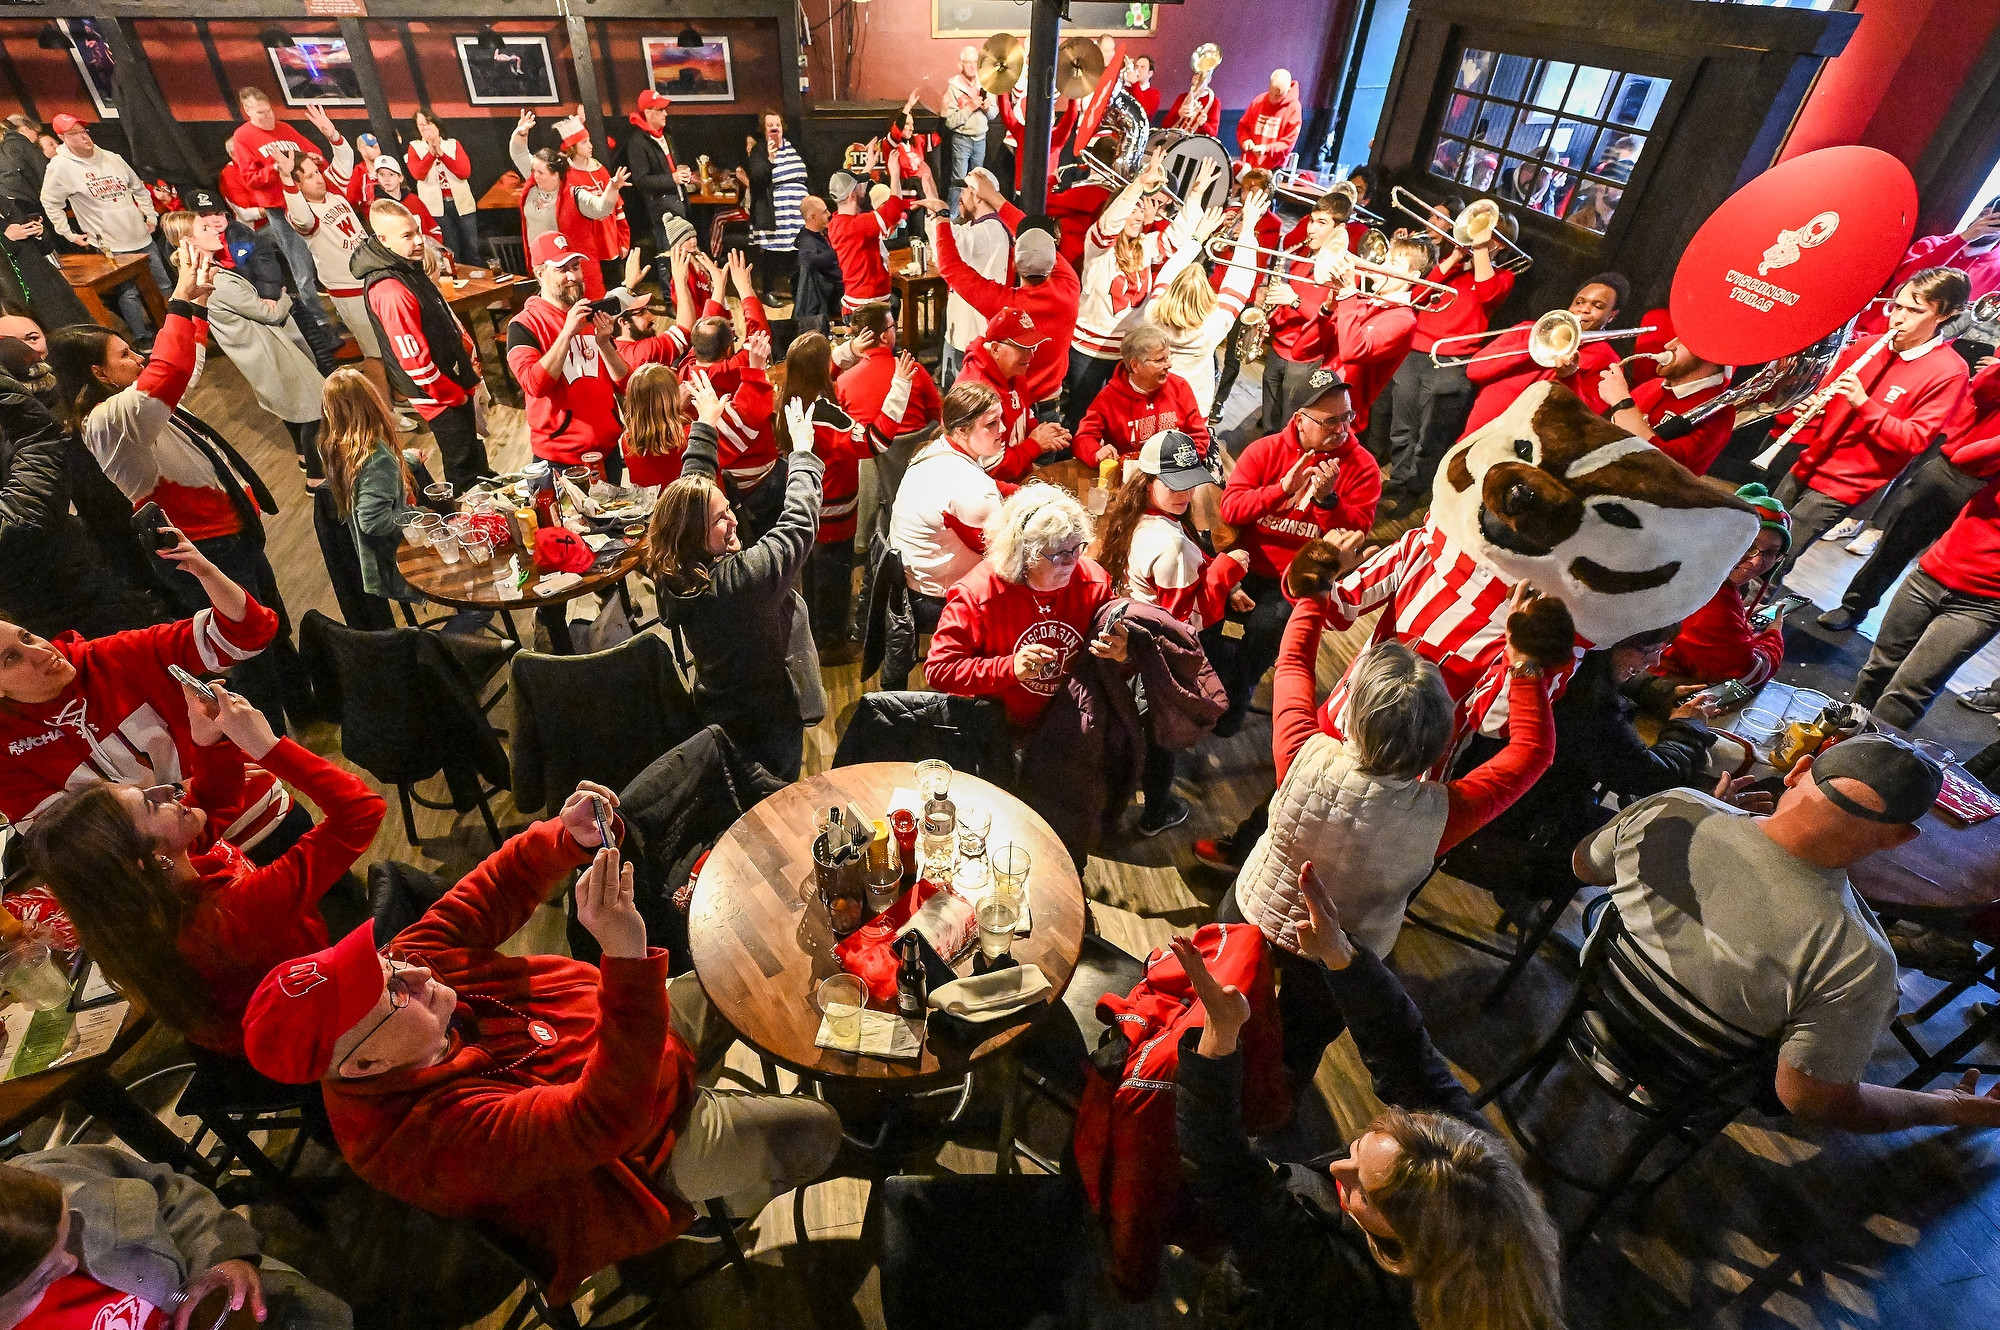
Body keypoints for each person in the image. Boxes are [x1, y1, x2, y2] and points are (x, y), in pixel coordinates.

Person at [239, 786, 843, 1304]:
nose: (415, 973)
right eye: (392, 992)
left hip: (633, 1032)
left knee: (750, 970)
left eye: (384, 961)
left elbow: (488, 891)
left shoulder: (411, 976)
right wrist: (626, 959)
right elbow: (601, 1118)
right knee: (816, 1130)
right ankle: (715, 1211)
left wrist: (562, 836)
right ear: (366, 1062)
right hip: (636, 1154)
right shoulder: (423, 1141)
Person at [1173, 895, 1563, 1330]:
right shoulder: (1473, 1176)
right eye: (1359, 1149)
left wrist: (1218, 1038)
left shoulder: (1345, 1288)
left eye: (1362, 1190)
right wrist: (1341, 955)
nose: (1337, 1166)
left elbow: (1222, 1173)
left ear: (1407, 1247)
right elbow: (1411, 1061)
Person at [1574, 735, 2000, 1132]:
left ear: (1798, 771)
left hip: (1595, 1003)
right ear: (1900, 838)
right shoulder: (1859, 957)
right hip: (1689, 1074)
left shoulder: (1674, 806)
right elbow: (1811, 1101)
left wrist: (1710, 812)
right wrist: (1948, 1105)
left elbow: (1584, 866)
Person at [1223, 580, 1556, 1082]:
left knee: (1217, 995)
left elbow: (1293, 665)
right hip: (1344, 949)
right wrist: (1525, 662)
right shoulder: (1443, 814)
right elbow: (1532, 751)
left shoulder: (1300, 750)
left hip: (1254, 906)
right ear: (1441, 735)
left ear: (1352, 711)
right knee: (1303, 1038)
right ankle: (1278, 1099)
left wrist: (1313, 594)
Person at [27, 677, 382, 1056]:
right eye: (150, 805)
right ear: (146, 860)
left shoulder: (149, 894)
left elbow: (210, 803)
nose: (168, 791)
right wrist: (267, 747)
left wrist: (209, 740)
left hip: (262, 1028)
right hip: (328, 1024)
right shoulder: (232, 916)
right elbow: (360, 811)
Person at [47, 242, 311, 733]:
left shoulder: (132, 400)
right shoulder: (107, 420)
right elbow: (168, 372)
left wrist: (198, 309)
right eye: (125, 354)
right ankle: (269, 742)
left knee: (272, 625)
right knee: (247, 652)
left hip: (230, 532)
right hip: (207, 551)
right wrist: (181, 303)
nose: (139, 356)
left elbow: (183, 367)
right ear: (97, 373)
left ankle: (305, 708)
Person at [0, 544, 299, 859]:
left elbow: (247, 634)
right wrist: (183, 792)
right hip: (184, 873)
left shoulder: (114, 656)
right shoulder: (6, 751)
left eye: (27, 637)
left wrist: (204, 569)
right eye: (10, 658)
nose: (40, 652)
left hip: (259, 821)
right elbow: (68, 839)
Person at [646, 384, 824, 780]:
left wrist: (706, 423)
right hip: (768, 720)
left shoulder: (673, 564)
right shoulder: (741, 583)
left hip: (717, 705)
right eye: (721, 518)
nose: (733, 521)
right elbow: (798, 525)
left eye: (728, 508)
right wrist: (804, 454)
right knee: (776, 799)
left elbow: (695, 486)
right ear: (695, 533)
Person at [0, 1146, 350, 1330]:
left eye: (68, 1234)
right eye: (41, 1279)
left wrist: (224, 1256)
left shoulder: (51, 1171)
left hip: (237, 1304)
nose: (72, 1262)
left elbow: (168, 1192)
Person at [1771, 268, 1972, 582]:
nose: (1899, 318)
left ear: (1946, 315)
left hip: (1846, 482)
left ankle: (1749, 621)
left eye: (1915, 311)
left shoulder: (1950, 371)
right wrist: (1807, 407)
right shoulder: (1867, 347)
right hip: (1808, 461)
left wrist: (1863, 403)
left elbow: (1915, 439)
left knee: (1777, 558)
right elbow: (1825, 400)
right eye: (1898, 306)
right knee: (1755, 542)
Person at [1096, 429, 1252, 832]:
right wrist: (1227, 570)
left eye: (1189, 483)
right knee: (1162, 736)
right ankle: (1155, 813)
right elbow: (1188, 625)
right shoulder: (1171, 547)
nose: (1184, 494)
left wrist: (1222, 584)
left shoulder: (1133, 514)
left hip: (1130, 636)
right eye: (1173, 484)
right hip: (1156, 654)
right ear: (1150, 479)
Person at [1213, 371, 1380, 735]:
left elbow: (1355, 536)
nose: (1342, 428)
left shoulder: (1363, 467)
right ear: (1299, 420)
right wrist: (1280, 489)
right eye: (1330, 420)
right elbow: (1231, 510)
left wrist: (1328, 500)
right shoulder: (1266, 450)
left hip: (1297, 577)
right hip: (1245, 564)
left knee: (1265, 631)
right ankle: (1207, 678)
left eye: (1347, 417)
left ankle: (1239, 691)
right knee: (1203, 610)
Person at [924, 483, 1129, 735]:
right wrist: (1009, 668)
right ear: (1023, 555)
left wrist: (1122, 654)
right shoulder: (977, 595)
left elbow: (1117, 659)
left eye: (1077, 548)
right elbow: (939, 670)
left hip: (1068, 720)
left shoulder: (1093, 580)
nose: (1071, 562)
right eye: (1057, 554)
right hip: (998, 726)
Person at [1822, 353, 2000, 638]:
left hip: (1994, 490)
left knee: (1961, 575)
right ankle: (1854, 607)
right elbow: (1981, 392)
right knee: (1896, 543)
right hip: (1953, 468)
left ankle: (1924, 644)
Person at [160, 205, 325, 489]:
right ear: (189, 242)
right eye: (204, 229)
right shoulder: (215, 281)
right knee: (313, 409)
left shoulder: (209, 275)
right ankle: (316, 478)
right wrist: (284, 296)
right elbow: (269, 313)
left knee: (292, 406)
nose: (214, 228)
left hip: (261, 356)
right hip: (269, 355)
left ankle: (302, 456)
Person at [505, 231, 682, 481]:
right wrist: (567, 333)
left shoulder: (591, 315)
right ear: (540, 272)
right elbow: (534, 385)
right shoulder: (524, 325)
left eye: (576, 267)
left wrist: (605, 344)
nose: (573, 276)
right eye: (562, 269)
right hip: (559, 460)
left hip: (606, 452)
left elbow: (624, 385)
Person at [786, 331, 920, 656]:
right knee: (835, 583)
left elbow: (817, 372)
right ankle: (831, 645)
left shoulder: (791, 400)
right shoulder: (830, 419)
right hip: (835, 518)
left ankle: (815, 633)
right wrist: (899, 386)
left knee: (812, 576)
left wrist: (847, 351)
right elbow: (876, 441)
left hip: (807, 508)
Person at [1066, 154, 1218, 430]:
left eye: (1140, 209)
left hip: (1127, 352)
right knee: (1081, 417)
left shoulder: (1145, 247)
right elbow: (1110, 223)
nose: (1137, 215)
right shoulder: (1099, 248)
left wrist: (1195, 195)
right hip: (1089, 351)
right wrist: (1137, 185)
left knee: (1120, 420)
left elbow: (1176, 238)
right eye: (1131, 210)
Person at [1850, 454, 2000, 729]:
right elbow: (1964, 459)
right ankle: (1841, 739)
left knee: (1910, 690)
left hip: (1984, 603)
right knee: (1878, 668)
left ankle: (1866, 764)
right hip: (1929, 575)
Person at [353, 198, 491, 494]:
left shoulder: (403, 266)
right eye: (407, 235)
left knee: (471, 450)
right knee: (463, 468)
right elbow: (414, 361)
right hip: (438, 393)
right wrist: (453, 394)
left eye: (416, 230)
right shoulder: (390, 289)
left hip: (449, 382)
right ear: (383, 239)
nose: (418, 240)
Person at [1383, 212, 1515, 514]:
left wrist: (1481, 252)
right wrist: (1456, 253)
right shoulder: (1451, 269)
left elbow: (1487, 292)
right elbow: (1416, 294)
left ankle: (1415, 491)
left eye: (1488, 235)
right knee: (1402, 426)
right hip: (1416, 351)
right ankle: (1401, 478)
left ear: (1501, 244)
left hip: (1452, 361)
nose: (1477, 239)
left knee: (1430, 435)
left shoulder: (1502, 278)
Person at [933, 173, 1081, 414]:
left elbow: (950, 267)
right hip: (1050, 409)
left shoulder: (1005, 306)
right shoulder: (1069, 285)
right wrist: (994, 196)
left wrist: (940, 217)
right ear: (1054, 260)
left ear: (1014, 264)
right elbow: (1029, 232)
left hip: (1013, 409)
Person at [277, 106, 388, 400]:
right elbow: (300, 217)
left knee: (388, 343)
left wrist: (331, 132)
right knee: (373, 354)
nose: (319, 178)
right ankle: (385, 409)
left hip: (372, 278)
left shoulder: (334, 192)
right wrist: (287, 180)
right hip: (348, 290)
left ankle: (399, 398)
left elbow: (344, 159)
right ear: (297, 184)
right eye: (310, 176)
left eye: (317, 172)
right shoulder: (301, 211)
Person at [1645, 483, 1790, 693]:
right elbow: (1741, 676)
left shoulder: (1689, 561)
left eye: (1770, 553)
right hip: (1649, 691)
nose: (1756, 562)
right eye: (1749, 545)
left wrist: (1737, 622)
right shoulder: (1714, 599)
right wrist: (1773, 634)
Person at [38, 115, 161, 347]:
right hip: (110, 243)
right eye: (75, 133)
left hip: (140, 233)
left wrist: (150, 215)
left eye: (84, 130)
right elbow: (50, 202)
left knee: (162, 282)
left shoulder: (112, 158)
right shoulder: (60, 167)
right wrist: (68, 233)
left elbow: (138, 188)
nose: (84, 136)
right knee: (128, 292)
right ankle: (142, 338)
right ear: (63, 138)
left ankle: (170, 326)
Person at [1461, 273, 1630, 435]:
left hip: (1522, 448)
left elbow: (1580, 418)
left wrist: (1569, 377)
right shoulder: (1528, 330)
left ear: (1611, 316)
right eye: (1579, 302)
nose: (1584, 309)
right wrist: (1536, 343)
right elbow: (1475, 370)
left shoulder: (1608, 361)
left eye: (1597, 306)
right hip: (1476, 434)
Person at [1146, 195, 1262, 419]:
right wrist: (1247, 229)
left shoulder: (1152, 313)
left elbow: (1168, 272)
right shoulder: (1213, 324)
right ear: (1205, 295)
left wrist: (1197, 237)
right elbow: (1241, 279)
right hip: (1192, 408)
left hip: (1152, 400)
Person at [320, 367, 422, 620]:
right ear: (371, 401)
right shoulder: (376, 458)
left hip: (368, 555)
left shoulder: (337, 446)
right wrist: (421, 515)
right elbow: (373, 521)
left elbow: (364, 482)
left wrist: (406, 459)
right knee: (475, 611)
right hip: (397, 555)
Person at [1257, 192, 1354, 436]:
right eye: (1312, 220)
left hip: (1304, 356)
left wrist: (1295, 300)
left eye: (1322, 223)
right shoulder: (1303, 258)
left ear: (1339, 229)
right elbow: (1287, 300)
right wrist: (1273, 317)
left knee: (1291, 420)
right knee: (1269, 416)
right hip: (1279, 347)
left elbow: (1332, 321)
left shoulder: (1340, 271)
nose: (1311, 229)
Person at [1594, 309, 1734, 475]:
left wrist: (1621, 402)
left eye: (1683, 342)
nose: (1668, 346)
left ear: (1711, 355)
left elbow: (1664, 465)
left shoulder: (1719, 412)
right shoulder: (1653, 385)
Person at [1322, 234, 1432, 438]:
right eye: (1385, 260)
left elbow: (1352, 351)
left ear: (1413, 276)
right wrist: (1327, 310)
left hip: (1338, 423)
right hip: (1317, 398)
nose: (1380, 266)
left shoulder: (1403, 320)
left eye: (1393, 263)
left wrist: (1347, 294)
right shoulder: (1365, 304)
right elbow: (1314, 349)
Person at [509, 110, 625, 301]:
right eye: (533, 170)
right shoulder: (533, 186)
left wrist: (612, 188)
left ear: (556, 175)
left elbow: (601, 209)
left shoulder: (573, 194)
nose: (534, 175)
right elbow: (519, 153)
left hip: (565, 269)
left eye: (540, 172)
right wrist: (521, 133)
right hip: (541, 266)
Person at [950, 308, 1073, 482]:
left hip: (1018, 474)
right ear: (996, 349)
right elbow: (993, 468)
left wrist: (1042, 432)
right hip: (988, 489)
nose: (1031, 355)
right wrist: (1035, 445)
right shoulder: (978, 395)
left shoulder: (1013, 373)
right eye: (1023, 348)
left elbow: (1024, 413)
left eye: (1033, 346)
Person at [1852, 196, 2000, 338]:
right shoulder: (1933, 243)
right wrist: (1963, 239)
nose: (1986, 221)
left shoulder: (1996, 272)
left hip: (1919, 351)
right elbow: (1906, 278)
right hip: (1867, 332)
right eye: (1984, 214)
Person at [1074, 324, 1213, 468]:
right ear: (1135, 366)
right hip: (1130, 476)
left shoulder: (1179, 387)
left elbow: (1199, 437)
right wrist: (1097, 452)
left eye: (1167, 358)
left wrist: (1182, 464)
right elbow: (1083, 438)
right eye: (1160, 360)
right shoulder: (1109, 398)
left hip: (1176, 471)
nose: (1169, 364)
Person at [826, 155, 927, 315]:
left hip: (857, 300)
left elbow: (855, 191)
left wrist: (869, 165)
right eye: (860, 188)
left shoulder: (836, 221)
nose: (864, 190)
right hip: (869, 304)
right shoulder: (858, 225)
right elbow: (894, 209)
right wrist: (895, 175)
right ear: (852, 196)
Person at [941, 168, 1012, 390]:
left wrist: (938, 216)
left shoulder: (990, 230)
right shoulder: (983, 227)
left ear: (977, 194)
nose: (960, 197)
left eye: (965, 190)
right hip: (965, 332)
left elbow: (948, 245)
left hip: (971, 337)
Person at [741, 109, 807, 299]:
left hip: (798, 209)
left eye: (777, 125)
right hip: (774, 210)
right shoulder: (759, 150)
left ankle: (798, 291)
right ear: (764, 129)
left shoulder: (795, 145)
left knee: (798, 250)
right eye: (770, 126)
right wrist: (770, 158)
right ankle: (768, 290)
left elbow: (809, 169)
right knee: (772, 253)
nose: (775, 128)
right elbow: (757, 178)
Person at [620, 89, 692, 255]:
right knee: (669, 259)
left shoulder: (665, 135)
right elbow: (641, 180)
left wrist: (683, 173)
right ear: (647, 113)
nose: (665, 114)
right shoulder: (638, 143)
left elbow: (671, 167)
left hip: (679, 205)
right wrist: (672, 178)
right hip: (662, 211)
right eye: (660, 110)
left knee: (685, 257)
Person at [405, 107, 478, 262]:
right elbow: (418, 174)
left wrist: (441, 153)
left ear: (436, 124)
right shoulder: (415, 147)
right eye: (421, 125)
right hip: (437, 208)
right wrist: (431, 154)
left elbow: (464, 172)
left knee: (473, 247)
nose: (425, 128)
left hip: (462, 204)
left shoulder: (452, 144)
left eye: (428, 123)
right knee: (450, 248)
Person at [943, 47, 999, 191]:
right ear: (960, 65)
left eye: (975, 62)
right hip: (962, 140)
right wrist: (970, 107)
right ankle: (954, 213)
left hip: (981, 140)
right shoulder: (954, 88)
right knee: (959, 182)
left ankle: (976, 213)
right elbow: (950, 122)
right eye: (968, 62)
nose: (973, 66)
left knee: (978, 182)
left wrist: (987, 108)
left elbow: (993, 114)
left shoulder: (986, 83)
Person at [793, 195, 842, 334]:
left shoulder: (821, 234)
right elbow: (807, 261)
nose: (829, 214)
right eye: (825, 212)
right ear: (813, 217)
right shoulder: (807, 241)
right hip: (835, 297)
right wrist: (838, 251)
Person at [1237, 70, 1303, 173]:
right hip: (1249, 164)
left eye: (1278, 95)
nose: (1273, 98)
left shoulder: (1294, 107)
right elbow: (1243, 126)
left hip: (1273, 168)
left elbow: (1288, 143)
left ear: (1288, 89)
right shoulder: (1259, 100)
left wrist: (1266, 149)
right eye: (1271, 92)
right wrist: (1245, 140)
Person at [0, 113, 48, 215]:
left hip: (8, 208)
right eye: (36, 133)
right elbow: (44, 171)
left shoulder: (5, 147)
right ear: (25, 129)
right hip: (28, 204)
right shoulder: (19, 143)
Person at [1165, 58, 1222, 137]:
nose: (1198, 77)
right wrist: (1178, 114)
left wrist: (1203, 123)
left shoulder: (1214, 102)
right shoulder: (1182, 97)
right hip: (1177, 138)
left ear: (1209, 79)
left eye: (1202, 75)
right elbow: (1165, 124)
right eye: (1196, 74)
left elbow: (1213, 133)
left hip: (1198, 142)